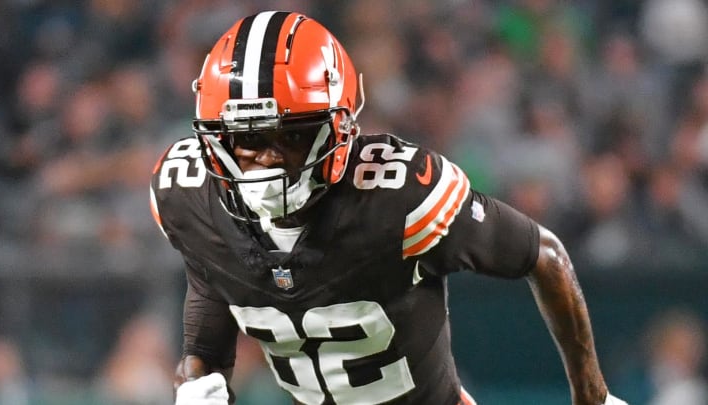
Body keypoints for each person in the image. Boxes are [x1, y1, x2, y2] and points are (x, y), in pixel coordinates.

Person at [149, 10, 628, 405]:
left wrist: (594, 397)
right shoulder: (189, 196)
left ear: (340, 129)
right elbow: (209, 273)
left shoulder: (397, 196)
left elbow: (542, 253)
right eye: (248, 141)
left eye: (292, 137)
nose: (269, 161)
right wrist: (196, 382)